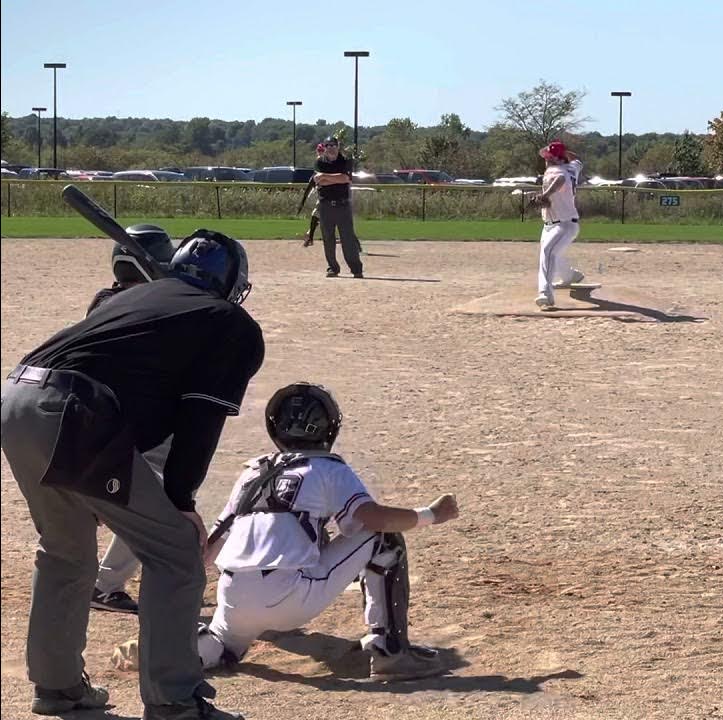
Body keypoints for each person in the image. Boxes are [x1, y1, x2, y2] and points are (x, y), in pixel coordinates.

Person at [1, 230, 263, 719]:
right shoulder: (230, 322)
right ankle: (174, 700)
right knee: (176, 555)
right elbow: (198, 418)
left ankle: (57, 687)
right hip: (74, 412)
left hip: (16, 399)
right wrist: (181, 501)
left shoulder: (137, 296)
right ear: (230, 283)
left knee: (65, 551)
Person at [193, 382, 459, 680]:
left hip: (233, 596)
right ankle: (391, 652)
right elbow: (375, 520)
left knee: (223, 639)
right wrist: (431, 515)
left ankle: (176, 653)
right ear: (329, 429)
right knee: (383, 538)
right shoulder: (327, 468)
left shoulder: (251, 473)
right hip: (291, 597)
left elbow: (205, 553)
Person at [88, 225, 178, 615]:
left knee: (97, 497)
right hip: (136, 425)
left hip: (93, 417)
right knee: (159, 496)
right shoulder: (154, 306)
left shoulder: (103, 300)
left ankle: (88, 571)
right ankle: (106, 583)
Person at [530, 140, 586, 309]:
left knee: (547, 252)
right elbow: (578, 160)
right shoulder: (572, 168)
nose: (545, 159)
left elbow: (560, 180)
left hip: (563, 224)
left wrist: (546, 194)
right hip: (557, 223)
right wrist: (563, 153)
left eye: (548, 156)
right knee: (552, 253)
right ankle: (570, 276)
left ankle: (545, 293)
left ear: (554, 159)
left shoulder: (556, 170)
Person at [313, 136, 363, 278]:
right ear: (324, 147)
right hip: (326, 204)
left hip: (343, 205)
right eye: (327, 145)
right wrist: (334, 179)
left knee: (348, 239)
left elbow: (345, 179)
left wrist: (325, 177)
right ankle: (333, 267)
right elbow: (319, 182)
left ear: (338, 146)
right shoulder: (319, 162)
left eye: (333, 145)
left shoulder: (345, 161)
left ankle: (356, 269)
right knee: (328, 238)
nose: (331, 148)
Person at [301, 143, 325, 248]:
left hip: (332, 195)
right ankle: (310, 235)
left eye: (321, 151)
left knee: (318, 215)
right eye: (319, 151)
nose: (320, 153)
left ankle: (310, 236)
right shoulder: (319, 165)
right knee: (317, 215)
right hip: (324, 196)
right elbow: (311, 184)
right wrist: (302, 201)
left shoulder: (328, 164)